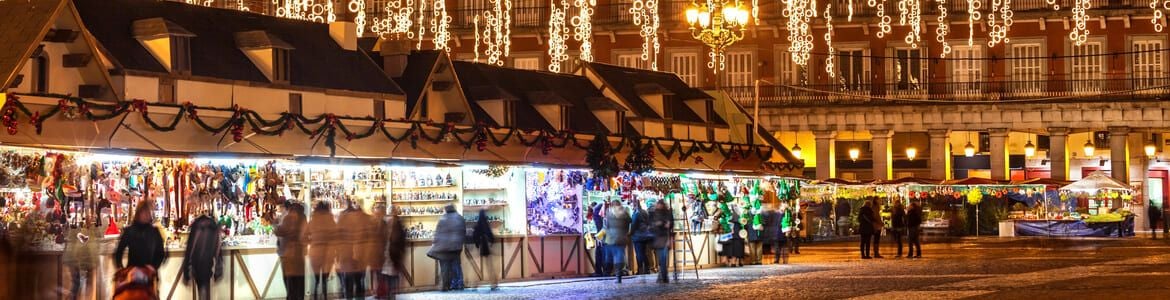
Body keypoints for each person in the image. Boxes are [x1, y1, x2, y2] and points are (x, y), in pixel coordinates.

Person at [113, 200, 167, 277]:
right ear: (139, 213)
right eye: (144, 212)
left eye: (148, 212)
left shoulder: (154, 232)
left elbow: (160, 253)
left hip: (150, 274)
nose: (147, 215)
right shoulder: (130, 231)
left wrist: (154, 267)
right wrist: (121, 268)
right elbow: (119, 251)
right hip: (132, 272)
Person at [180, 213, 224, 300]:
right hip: (207, 264)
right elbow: (218, 247)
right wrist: (218, 270)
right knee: (204, 291)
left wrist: (186, 272)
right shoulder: (213, 224)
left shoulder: (197, 225)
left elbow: (190, 247)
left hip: (198, 264)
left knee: (202, 292)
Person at [275, 203, 308, 300]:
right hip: (299, 255)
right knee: (299, 281)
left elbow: (280, 231)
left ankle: (291, 297)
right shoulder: (303, 218)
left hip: (288, 254)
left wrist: (274, 223)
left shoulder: (288, 217)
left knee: (290, 281)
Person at [337, 204, 370, 299]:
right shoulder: (362, 221)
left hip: (348, 257)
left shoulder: (342, 219)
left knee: (349, 284)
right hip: (358, 257)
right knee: (359, 282)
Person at [429, 204, 465, 291]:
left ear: (446, 210)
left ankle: (446, 285)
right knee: (456, 266)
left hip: (444, 247)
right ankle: (459, 284)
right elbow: (463, 231)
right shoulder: (460, 218)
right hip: (456, 247)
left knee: (445, 267)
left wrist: (435, 243)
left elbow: (438, 233)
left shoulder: (443, 219)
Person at [63, 218, 100, 300]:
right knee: (77, 283)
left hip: (74, 259)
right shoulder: (84, 231)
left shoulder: (76, 230)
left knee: (77, 283)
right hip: (74, 260)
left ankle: (72, 297)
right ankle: (71, 298)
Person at [307, 202, 337, 300]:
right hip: (328, 252)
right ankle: (324, 296)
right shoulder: (331, 220)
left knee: (316, 280)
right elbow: (336, 235)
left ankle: (315, 296)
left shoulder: (313, 220)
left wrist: (312, 240)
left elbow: (304, 234)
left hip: (315, 252)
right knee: (324, 279)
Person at [602, 199, 631, 283]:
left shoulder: (609, 213)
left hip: (612, 238)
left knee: (612, 256)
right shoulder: (625, 213)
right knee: (619, 255)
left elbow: (606, 226)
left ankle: (613, 272)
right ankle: (619, 275)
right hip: (622, 237)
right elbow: (628, 225)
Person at [381, 206, 407, 299]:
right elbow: (402, 242)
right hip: (394, 257)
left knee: (387, 282)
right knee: (392, 283)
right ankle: (391, 296)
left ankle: (389, 296)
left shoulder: (383, 222)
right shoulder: (398, 223)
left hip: (386, 257)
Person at [471, 209, 498, 290]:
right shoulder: (486, 224)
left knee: (477, 267)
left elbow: (474, 236)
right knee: (489, 266)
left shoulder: (477, 225)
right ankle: (493, 283)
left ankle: (474, 284)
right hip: (486, 247)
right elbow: (490, 235)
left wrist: (476, 244)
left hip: (480, 247)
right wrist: (492, 242)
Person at [649, 200, 674, 283]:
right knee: (661, 258)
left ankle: (663, 276)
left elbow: (670, 225)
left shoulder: (667, 213)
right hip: (658, 238)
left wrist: (667, 224)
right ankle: (663, 276)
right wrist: (657, 224)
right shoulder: (653, 213)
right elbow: (650, 225)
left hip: (664, 237)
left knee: (663, 258)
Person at [365, 208, 388, 298]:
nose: (377, 216)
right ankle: (378, 292)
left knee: (379, 274)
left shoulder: (380, 224)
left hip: (378, 253)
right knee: (377, 274)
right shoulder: (375, 224)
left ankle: (379, 292)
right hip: (375, 253)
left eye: (378, 214)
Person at [630, 200, 654, 275]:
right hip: (646, 235)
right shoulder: (644, 211)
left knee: (639, 254)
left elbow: (633, 225)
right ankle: (647, 269)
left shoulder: (636, 213)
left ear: (634, 205)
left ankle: (640, 269)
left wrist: (630, 233)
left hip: (638, 236)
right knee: (644, 253)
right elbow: (648, 222)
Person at [589, 201, 609, 277]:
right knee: (602, 253)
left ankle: (600, 271)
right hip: (604, 236)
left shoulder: (597, 211)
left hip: (601, 236)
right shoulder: (604, 212)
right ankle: (604, 271)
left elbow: (599, 226)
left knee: (600, 254)